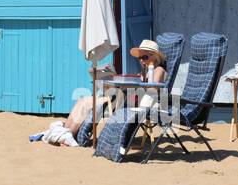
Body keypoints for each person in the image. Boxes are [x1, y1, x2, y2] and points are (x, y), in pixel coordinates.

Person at [36, 39, 168, 147]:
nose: (141, 60)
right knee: (82, 100)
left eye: (144, 57)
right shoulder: (145, 72)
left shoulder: (158, 70)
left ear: (154, 56)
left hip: (132, 105)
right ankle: (66, 132)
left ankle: (65, 133)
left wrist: (135, 82)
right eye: (140, 57)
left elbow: (152, 88)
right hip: (124, 99)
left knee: (89, 103)